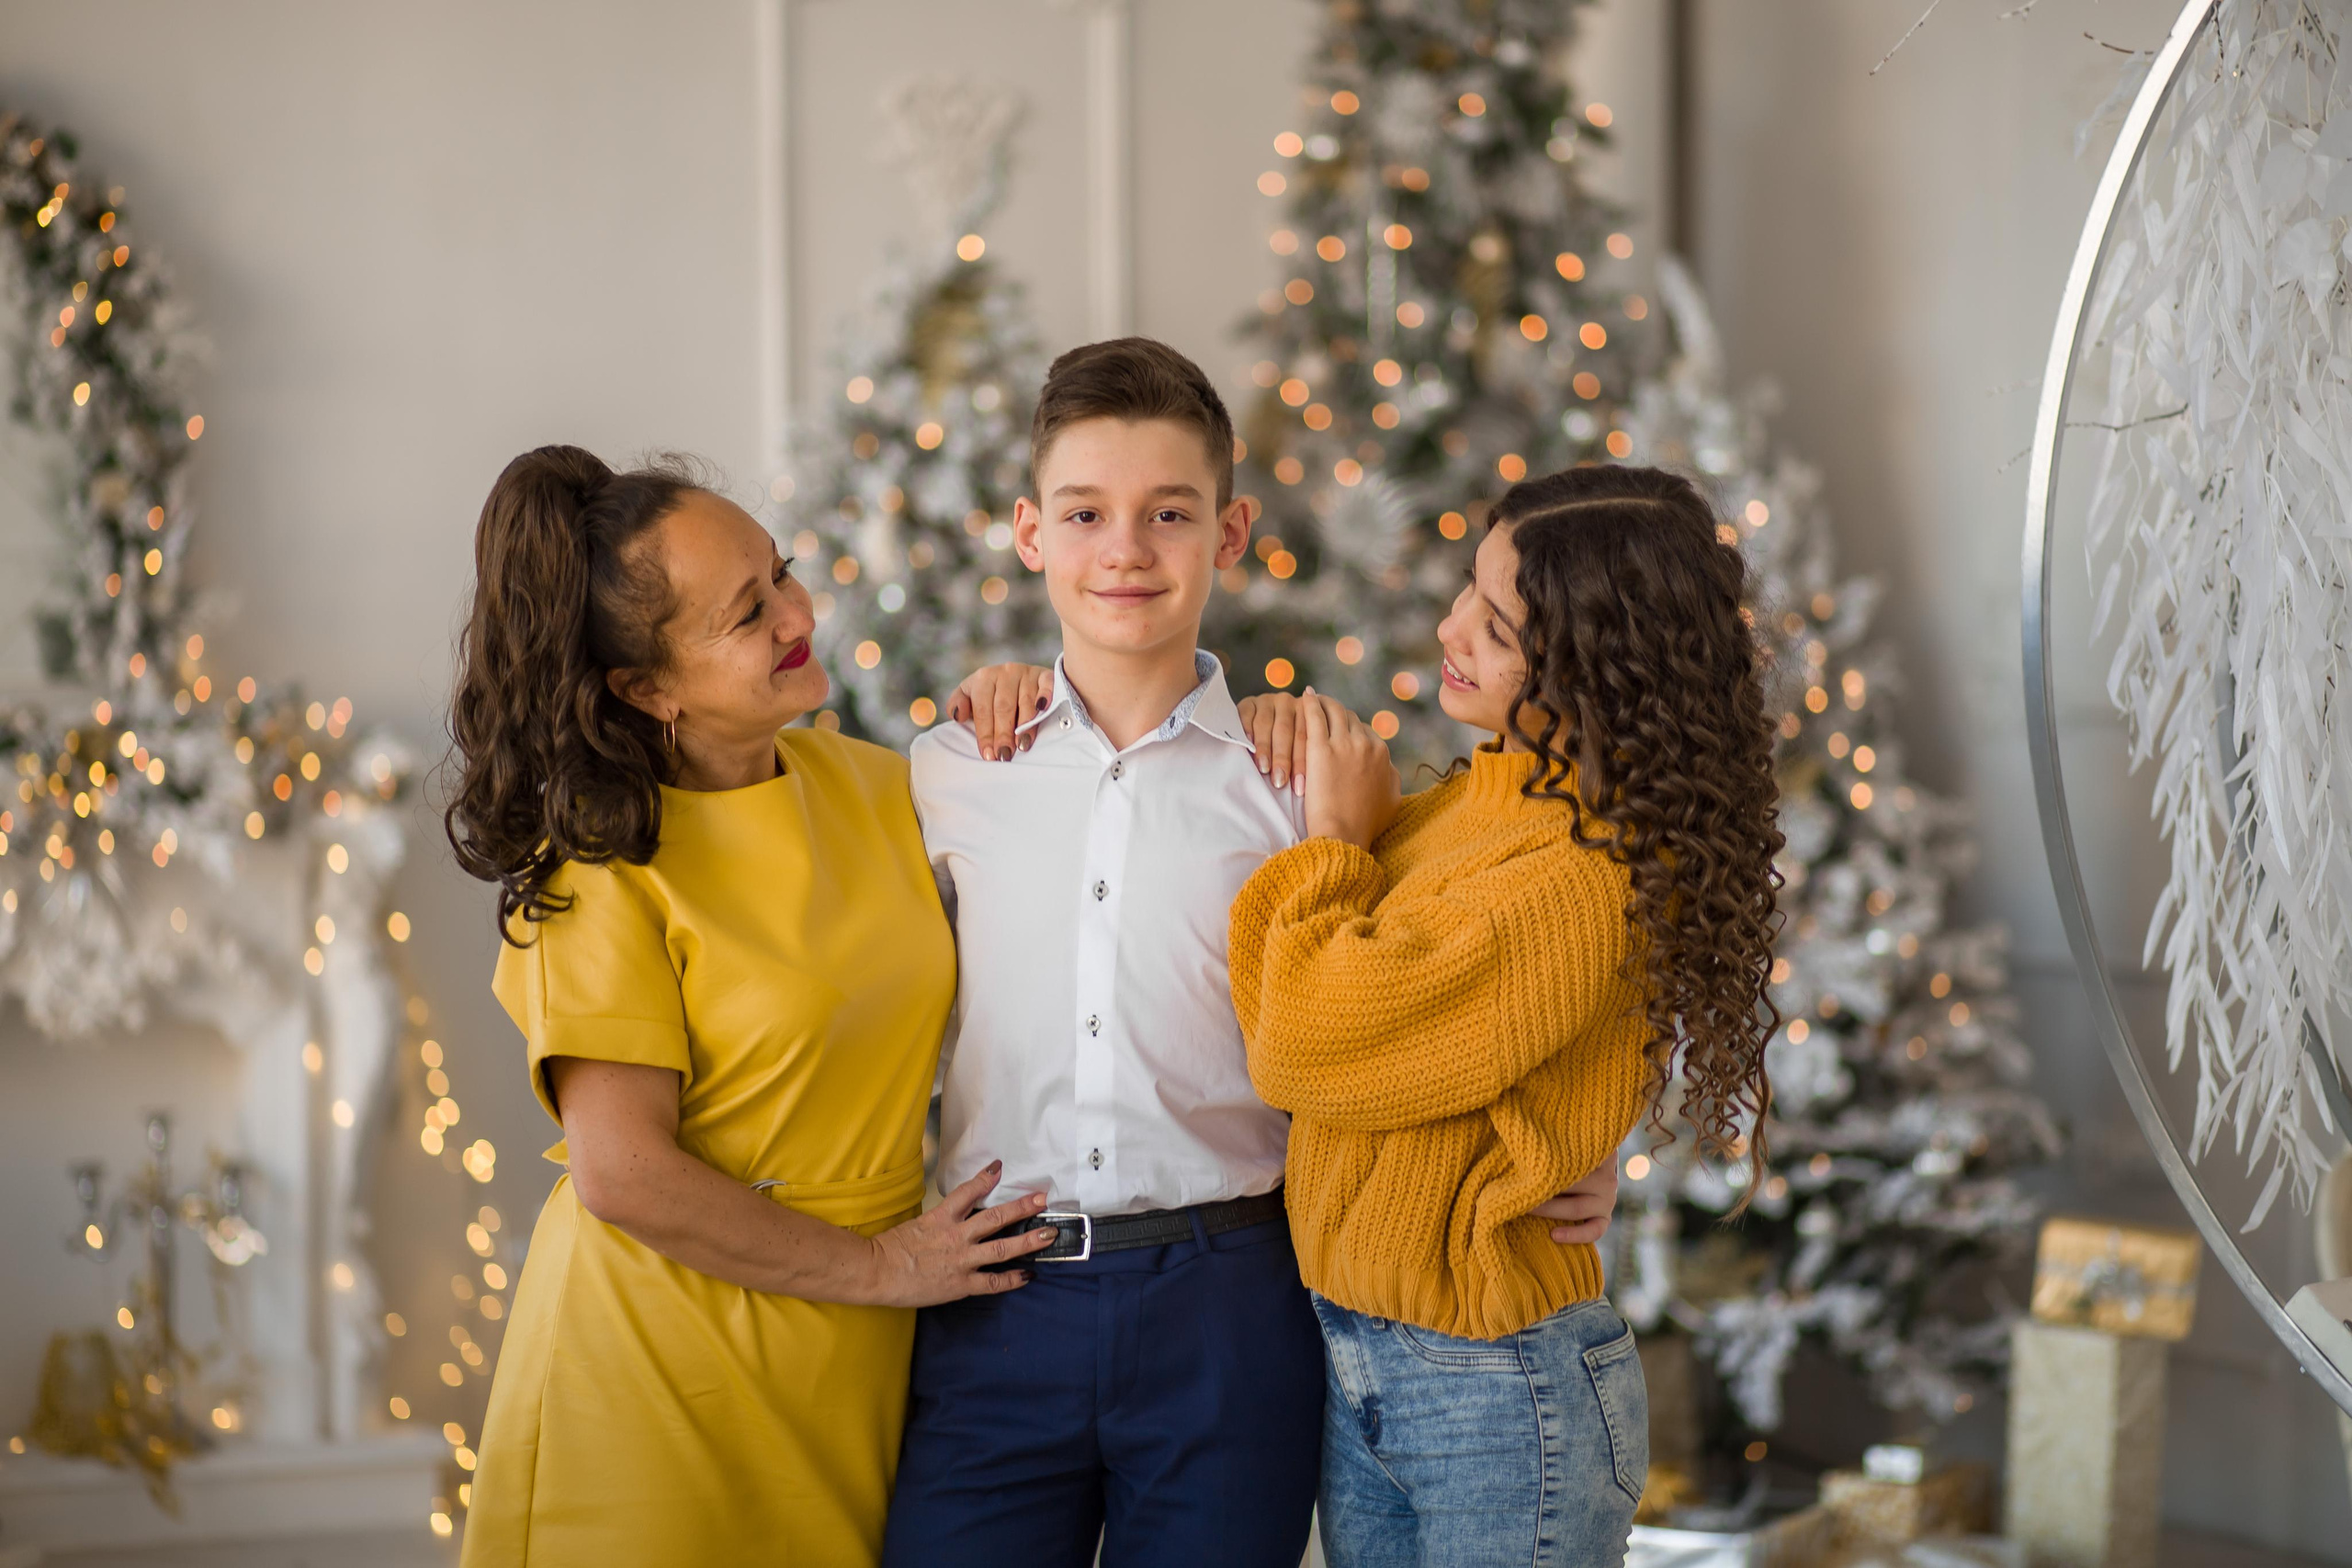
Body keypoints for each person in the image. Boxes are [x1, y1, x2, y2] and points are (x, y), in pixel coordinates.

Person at [884, 339, 1623, 1568]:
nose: (1125, 549)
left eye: (1168, 513)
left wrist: (1591, 1139)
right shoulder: (948, 772)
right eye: (1085, 513)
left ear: (1229, 535)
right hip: (996, 1296)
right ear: (1028, 532)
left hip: (1233, 1300)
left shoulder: (1312, 784)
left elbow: (1465, 989)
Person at [441, 447, 1064, 1567]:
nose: (796, 612)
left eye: (779, 573)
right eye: (746, 613)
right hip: (651, 1375)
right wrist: (885, 1270)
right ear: (646, 688)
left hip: (849, 1361)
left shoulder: (876, 786)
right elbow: (622, 1172)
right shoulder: (600, 866)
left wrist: (1021, 697)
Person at [1227, 464, 1783, 1568]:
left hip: (1492, 1392)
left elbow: (1302, 1039)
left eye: (1495, 626)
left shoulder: (1570, 874)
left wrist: (1334, 846)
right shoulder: (1473, 807)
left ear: (1597, 673)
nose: (1450, 630)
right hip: (1372, 1355)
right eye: (1465, 595)